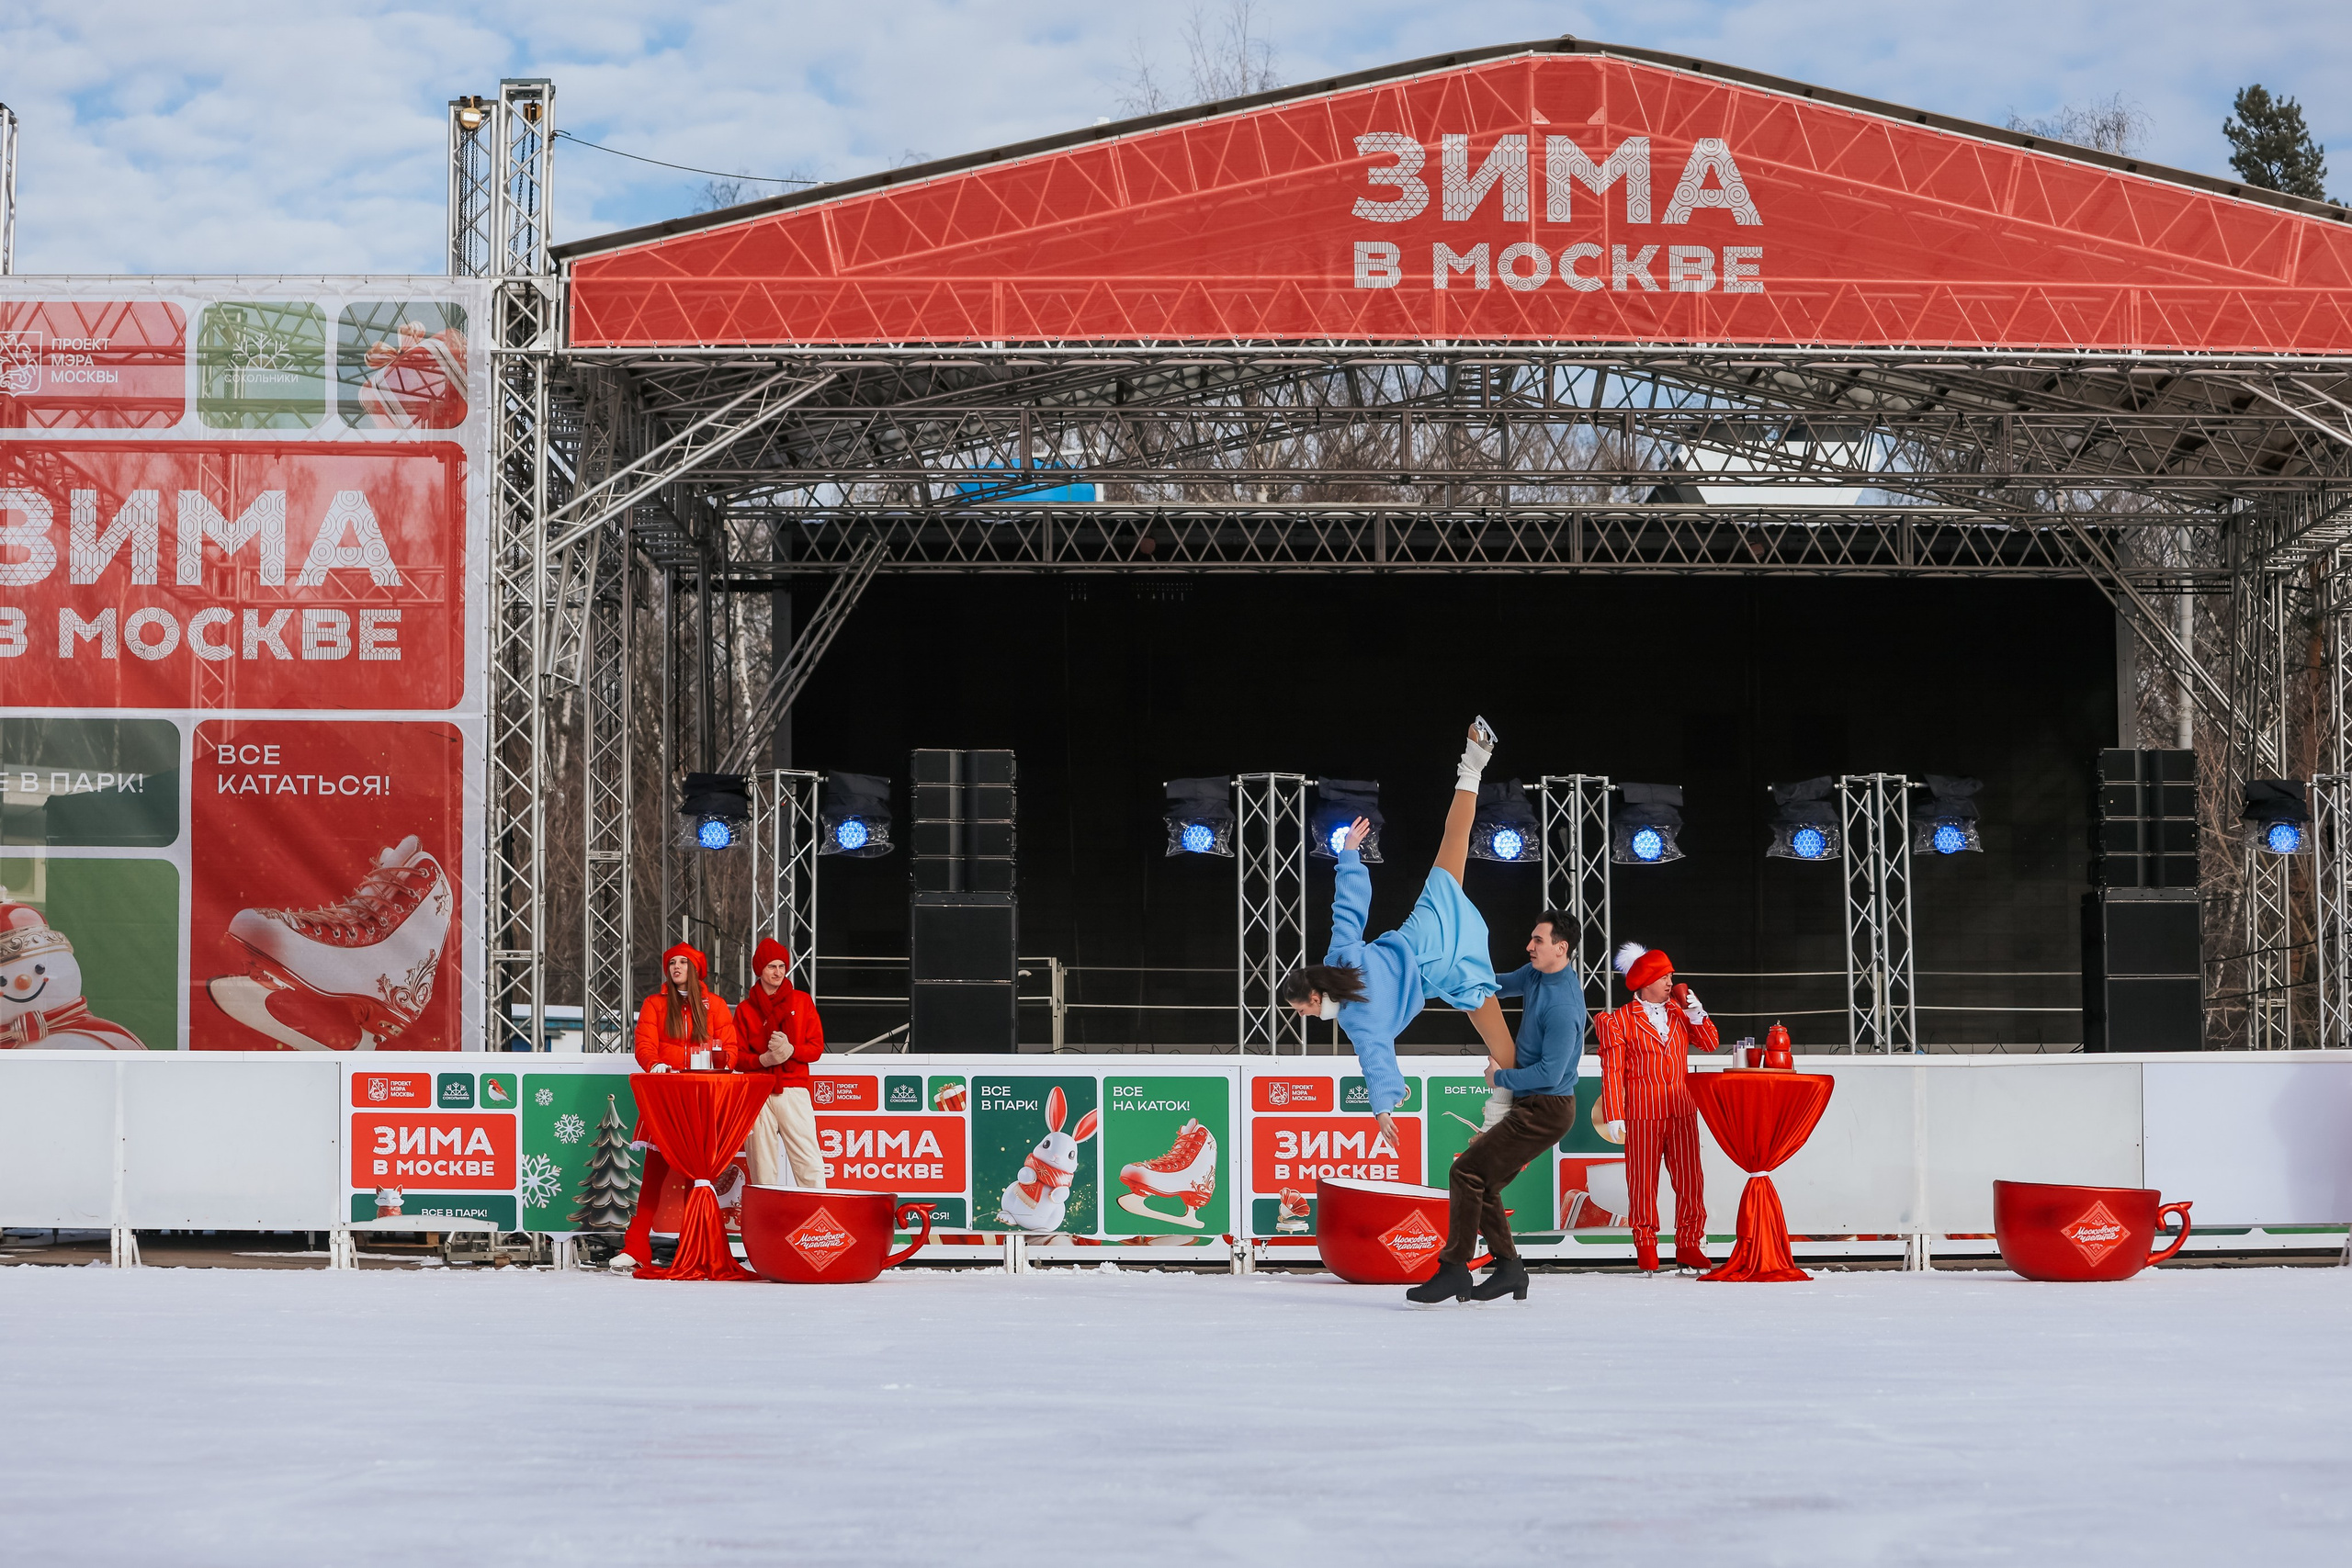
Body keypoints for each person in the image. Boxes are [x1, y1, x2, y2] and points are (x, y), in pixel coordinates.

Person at [1280, 718, 1518, 1159]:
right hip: (1428, 927)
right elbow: (1348, 908)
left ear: (1314, 998)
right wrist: (1349, 853)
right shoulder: (1340, 958)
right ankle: (1474, 762)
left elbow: (1376, 1061)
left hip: (1449, 969)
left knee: (1504, 1051)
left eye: (1302, 1010)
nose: (1306, 1017)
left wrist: (1383, 1109)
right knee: (1454, 842)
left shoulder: (1357, 1020)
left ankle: (1505, 1127)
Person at [1408, 909, 1589, 1303]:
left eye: (1538, 940)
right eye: (1531, 938)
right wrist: (1447, 975)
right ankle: (1509, 1270)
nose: (1529, 946)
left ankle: (1455, 1270)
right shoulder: (1537, 975)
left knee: (1465, 1172)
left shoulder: (1563, 1006)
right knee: (1483, 1183)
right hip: (1534, 1103)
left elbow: (1550, 1073)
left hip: (1547, 1110)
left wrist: (1500, 1078)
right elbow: (1495, 986)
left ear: (1562, 948)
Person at [1593, 942, 1721, 1274]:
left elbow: (1710, 1044)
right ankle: (1646, 1246)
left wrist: (1697, 1014)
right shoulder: (1618, 1020)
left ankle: (1690, 1244)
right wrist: (1614, 1113)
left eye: (1670, 976)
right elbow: (1612, 1070)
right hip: (1642, 1113)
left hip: (1681, 1109)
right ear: (1646, 981)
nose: (1670, 982)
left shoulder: (1680, 1013)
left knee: (1691, 1182)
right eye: (1664, 976)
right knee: (1642, 1183)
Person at [616, 943, 743, 1270]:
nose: (676, 967)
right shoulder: (655, 1004)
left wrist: (724, 1063)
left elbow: (730, 1047)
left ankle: (694, 1246)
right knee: (653, 1175)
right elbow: (644, 1044)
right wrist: (654, 1064)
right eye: (672, 962)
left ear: (696, 968)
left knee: (696, 1176)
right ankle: (636, 1245)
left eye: (683, 962)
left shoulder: (715, 1005)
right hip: (666, 1099)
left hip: (701, 1099)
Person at [735, 937, 827, 1189]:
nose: (778, 972)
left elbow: (816, 1047)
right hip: (758, 1091)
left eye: (782, 967)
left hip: (793, 1088)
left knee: (808, 1161)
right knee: (761, 1165)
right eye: (771, 967)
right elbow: (737, 1057)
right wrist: (763, 1059)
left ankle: (817, 1212)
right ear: (759, 970)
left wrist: (792, 1050)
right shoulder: (745, 1010)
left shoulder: (801, 1001)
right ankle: (766, 1213)